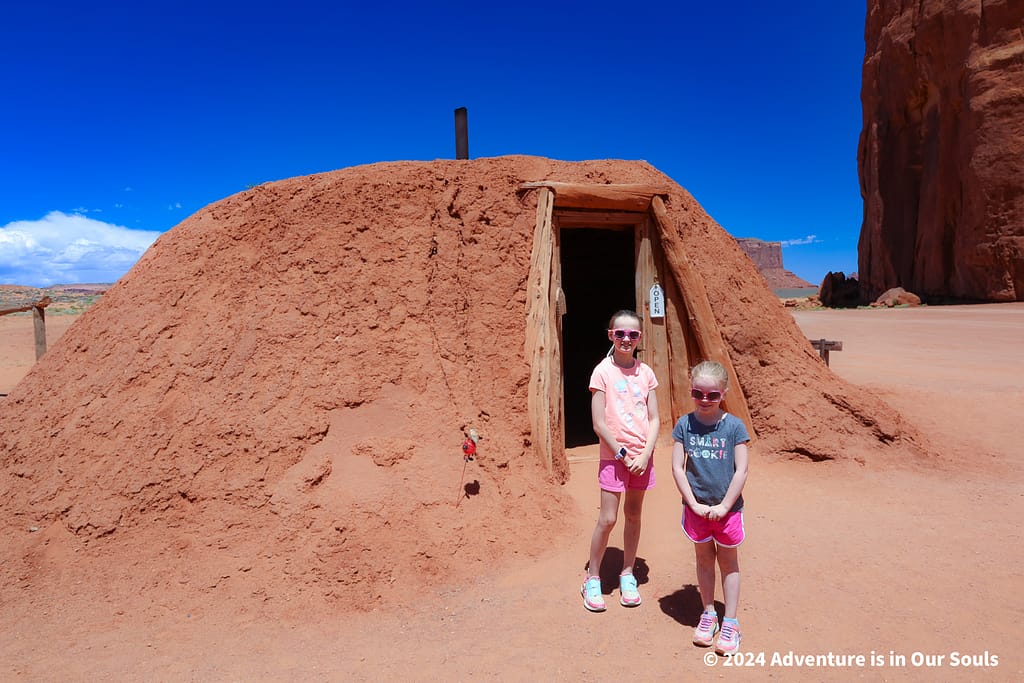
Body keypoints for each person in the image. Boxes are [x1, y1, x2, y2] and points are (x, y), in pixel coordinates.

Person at [581, 310, 660, 612]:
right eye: (620, 334)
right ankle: (593, 577)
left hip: (641, 457)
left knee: (635, 514)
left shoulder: (646, 373)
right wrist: (623, 455)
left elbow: (654, 419)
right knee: (608, 518)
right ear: (611, 335)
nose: (626, 339)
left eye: (633, 334)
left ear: (640, 338)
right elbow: (599, 423)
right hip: (615, 457)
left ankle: (627, 573)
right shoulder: (602, 372)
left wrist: (645, 454)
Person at [670, 360, 750, 655]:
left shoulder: (734, 427)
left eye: (712, 395)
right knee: (704, 559)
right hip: (697, 509)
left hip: (727, 511)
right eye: (698, 393)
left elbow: (741, 470)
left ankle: (730, 621)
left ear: (724, 393)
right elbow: (678, 467)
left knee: (728, 563)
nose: (705, 400)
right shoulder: (684, 425)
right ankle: (708, 613)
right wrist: (692, 503)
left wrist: (726, 505)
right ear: (691, 391)